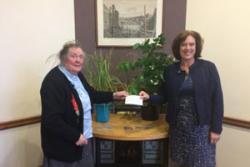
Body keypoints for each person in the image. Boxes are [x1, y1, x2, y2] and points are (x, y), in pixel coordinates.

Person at [139, 30, 223, 167]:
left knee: (202, 163)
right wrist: (149, 97)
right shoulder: (170, 70)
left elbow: (218, 100)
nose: (188, 48)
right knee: (179, 163)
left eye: (191, 44)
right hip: (178, 130)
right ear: (178, 48)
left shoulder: (208, 68)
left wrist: (216, 129)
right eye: (184, 44)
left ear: (197, 47)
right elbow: (164, 96)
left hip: (201, 130)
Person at [40, 41, 128, 167]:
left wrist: (114, 95)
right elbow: (51, 119)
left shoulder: (77, 75)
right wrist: (75, 136)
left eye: (81, 57)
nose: (78, 60)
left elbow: (91, 94)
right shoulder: (53, 81)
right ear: (63, 58)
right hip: (64, 147)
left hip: (84, 137)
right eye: (73, 56)